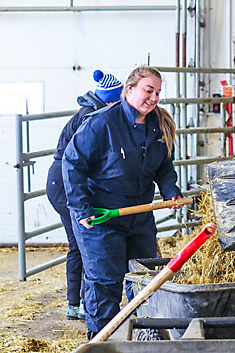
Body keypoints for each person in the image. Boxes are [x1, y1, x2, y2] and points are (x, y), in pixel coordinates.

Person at [63, 65, 182, 338]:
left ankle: (143, 334)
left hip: (139, 215)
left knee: (145, 277)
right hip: (100, 216)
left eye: (158, 93)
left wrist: (169, 191)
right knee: (105, 279)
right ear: (130, 89)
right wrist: (81, 208)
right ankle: (101, 339)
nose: (153, 98)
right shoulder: (101, 123)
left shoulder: (156, 126)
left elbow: (163, 165)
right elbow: (72, 163)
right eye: (148, 90)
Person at [46, 70, 123, 321]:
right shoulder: (91, 117)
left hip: (66, 180)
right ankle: (75, 304)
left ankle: (77, 302)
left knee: (82, 242)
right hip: (64, 182)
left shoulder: (98, 113)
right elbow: (79, 162)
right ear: (111, 100)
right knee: (82, 242)